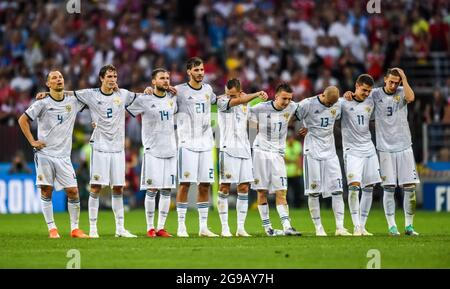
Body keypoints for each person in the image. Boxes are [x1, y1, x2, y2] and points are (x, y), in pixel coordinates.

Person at [18, 70, 89, 238]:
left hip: (64, 156)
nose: (58, 80)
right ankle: (52, 229)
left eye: (61, 77)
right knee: (46, 190)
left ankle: (75, 229)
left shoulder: (73, 101)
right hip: (45, 153)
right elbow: (23, 120)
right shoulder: (42, 103)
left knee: (73, 191)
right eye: (54, 78)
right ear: (48, 84)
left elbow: (94, 100)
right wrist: (32, 141)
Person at [73, 64, 137, 238]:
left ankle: (120, 229)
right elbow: (69, 95)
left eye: (115, 76)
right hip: (100, 148)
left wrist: (147, 90)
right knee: (96, 187)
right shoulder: (91, 94)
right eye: (109, 76)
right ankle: (93, 228)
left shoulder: (122, 94)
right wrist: (48, 94)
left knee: (118, 188)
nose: (112, 79)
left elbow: (140, 98)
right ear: (101, 78)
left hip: (118, 149)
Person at [367, 68, 420, 236]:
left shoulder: (402, 91)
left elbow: (411, 98)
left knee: (410, 188)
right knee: (389, 187)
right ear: (384, 79)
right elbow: (360, 98)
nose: (393, 85)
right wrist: (349, 95)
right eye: (391, 81)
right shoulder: (375, 94)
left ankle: (409, 226)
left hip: (404, 146)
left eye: (396, 82)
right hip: (385, 148)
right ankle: (392, 226)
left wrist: (404, 78)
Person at [126, 68, 176, 238]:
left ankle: (161, 227)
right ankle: (150, 227)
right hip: (152, 150)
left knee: (167, 189)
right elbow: (126, 109)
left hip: (170, 149)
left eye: (168, 78)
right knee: (152, 189)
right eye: (162, 78)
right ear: (153, 82)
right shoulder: (145, 99)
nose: (166, 81)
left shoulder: (172, 98)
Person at [296, 86, 351, 236]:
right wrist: (302, 128)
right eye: (328, 103)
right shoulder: (307, 104)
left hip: (330, 153)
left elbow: (350, 100)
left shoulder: (338, 103)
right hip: (312, 152)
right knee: (313, 192)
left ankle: (340, 227)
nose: (330, 106)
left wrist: (349, 94)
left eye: (332, 104)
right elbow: (291, 115)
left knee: (338, 190)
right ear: (322, 95)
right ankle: (319, 228)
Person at [216, 78, 268, 237]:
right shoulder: (222, 102)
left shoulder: (246, 105)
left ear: (239, 92)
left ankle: (240, 228)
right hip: (228, 149)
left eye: (233, 95)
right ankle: (225, 227)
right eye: (228, 94)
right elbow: (240, 100)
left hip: (244, 150)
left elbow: (252, 125)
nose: (230, 97)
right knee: (224, 187)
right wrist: (258, 94)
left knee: (244, 188)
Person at [249, 83, 302, 236]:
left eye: (289, 99)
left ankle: (287, 226)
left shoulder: (292, 107)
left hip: (278, 154)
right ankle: (268, 229)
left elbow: (310, 108)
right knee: (262, 191)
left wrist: (307, 127)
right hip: (260, 151)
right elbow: (245, 111)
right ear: (276, 96)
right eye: (284, 98)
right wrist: (254, 126)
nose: (287, 102)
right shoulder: (261, 107)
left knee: (281, 191)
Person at [174, 57, 218, 237]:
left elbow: (217, 100)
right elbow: (160, 97)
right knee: (185, 184)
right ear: (189, 72)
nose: (200, 73)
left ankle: (203, 227)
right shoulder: (178, 91)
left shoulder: (208, 89)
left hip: (206, 143)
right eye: (197, 70)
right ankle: (181, 226)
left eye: (202, 70)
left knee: (204, 185)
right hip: (187, 143)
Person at [341, 74, 381, 236]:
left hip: (369, 149)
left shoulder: (371, 101)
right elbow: (327, 109)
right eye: (364, 90)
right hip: (352, 151)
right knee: (354, 186)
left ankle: (363, 226)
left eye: (369, 91)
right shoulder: (344, 102)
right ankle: (356, 225)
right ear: (356, 86)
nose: (366, 93)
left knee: (369, 187)